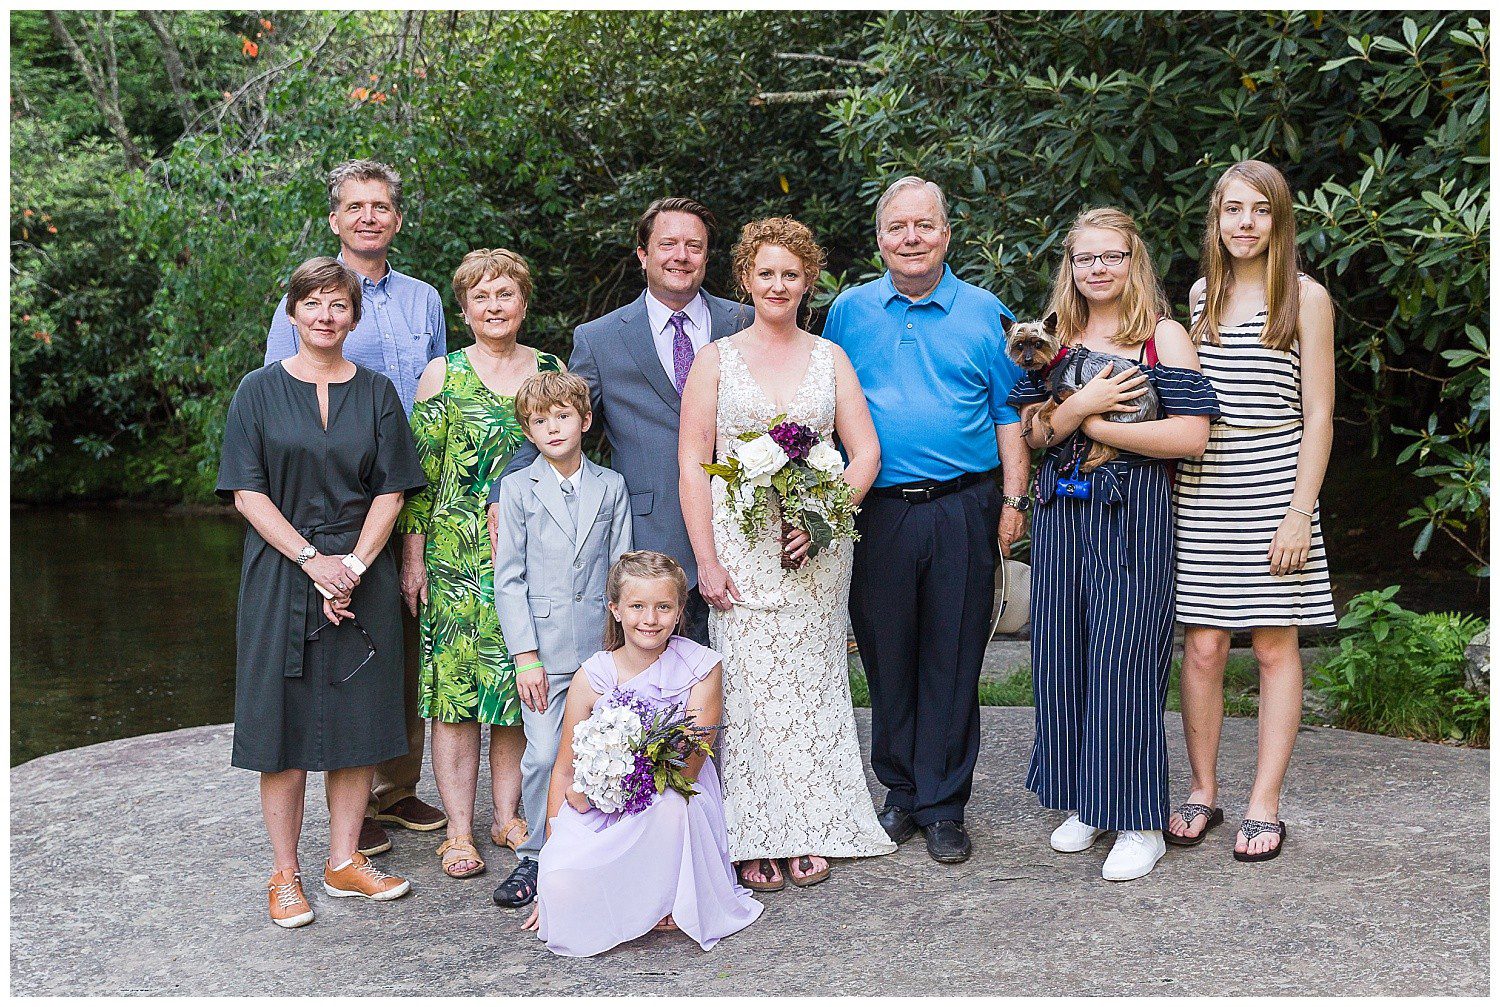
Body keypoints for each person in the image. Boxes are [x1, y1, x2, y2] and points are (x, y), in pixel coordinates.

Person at [678, 217, 895, 891]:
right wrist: (705, 560)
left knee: (809, 684)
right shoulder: (715, 358)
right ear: (745, 279)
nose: (778, 284)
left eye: (791, 274)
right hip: (739, 548)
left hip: (815, 552)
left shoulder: (831, 358)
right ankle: (753, 830)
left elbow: (867, 454)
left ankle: (811, 823)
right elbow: (693, 462)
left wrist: (827, 519)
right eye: (765, 272)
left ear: (809, 282)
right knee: (744, 687)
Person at [821, 176, 1030, 865]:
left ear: (947, 233)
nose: (910, 238)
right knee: (887, 655)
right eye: (896, 227)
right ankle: (901, 791)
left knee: (953, 654)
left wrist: (1013, 499)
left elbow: (1008, 413)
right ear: (879, 238)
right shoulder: (848, 312)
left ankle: (945, 804)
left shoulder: (984, 312)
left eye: (924, 226)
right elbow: (822, 412)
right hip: (876, 511)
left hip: (963, 507)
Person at [1009, 208, 1219, 882]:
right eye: (1085, 257)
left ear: (1135, 262)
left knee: (1126, 657)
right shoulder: (1054, 338)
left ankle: (1138, 820)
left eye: (1112, 256)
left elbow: (1190, 438)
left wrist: (1096, 422)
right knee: (1064, 654)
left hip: (1133, 509)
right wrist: (1074, 411)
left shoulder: (1164, 337)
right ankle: (1088, 801)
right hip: (1062, 512)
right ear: (1070, 266)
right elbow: (1033, 435)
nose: (1098, 268)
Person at [220, 256, 428, 927]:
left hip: (359, 571)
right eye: (312, 302)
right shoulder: (256, 390)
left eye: (337, 304)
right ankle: (285, 873)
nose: (325, 314)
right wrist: (314, 560)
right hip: (282, 569)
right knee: (279, 723)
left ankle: (344, 861)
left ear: (353, 316)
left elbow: (392, 488)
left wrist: (357, 566)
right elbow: (246, 491)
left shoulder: (375, 393)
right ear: (292, 312)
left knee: (359, 716)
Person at [264, 159, 449, 857]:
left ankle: (396, 785)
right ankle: (355, 790)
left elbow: (439, 389)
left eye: (381, 206)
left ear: (396, 220)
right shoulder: (313, 296)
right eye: (355, 206)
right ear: (336, 218)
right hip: (336, 495)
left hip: (414, 488)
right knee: (345, 640)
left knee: (408, 633)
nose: (369, 216)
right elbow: (279, 399)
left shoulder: (425, 300)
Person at [1168, 160, 1336, 862]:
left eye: (1259, 210)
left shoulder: (1305, 296)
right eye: (1232, 210)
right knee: (1203, 646)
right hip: (1204, 483)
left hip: (1275, 481)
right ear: (1216, 219)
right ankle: (1204, 790)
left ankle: (1265, 802)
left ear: (1279, 219)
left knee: (1272, 645)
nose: (1245, 223)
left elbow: (1320, 413)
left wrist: (1300, 510)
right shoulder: (1200, 294)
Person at [491, 198, 752, 645]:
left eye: (694, 246)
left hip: (746, 530)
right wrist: (506, 488)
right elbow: (564, 420)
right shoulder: (600, 338)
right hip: (652, 536)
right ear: (642, 254)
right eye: (668, 244)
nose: (681, 256)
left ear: (708, 256)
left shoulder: (743, 321)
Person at [395, 249, 565, 880]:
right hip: (456, 556)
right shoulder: (444, 374)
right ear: (463, 309)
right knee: (457, 699)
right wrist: (413, 562)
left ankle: (508, 814)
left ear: (524, 303)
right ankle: (459, 832)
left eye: (506, 295)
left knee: (518, 688)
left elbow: (564, 455)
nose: (495, 307)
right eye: (482, 297)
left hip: (529, 556)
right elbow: (418, 478)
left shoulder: (549, 369)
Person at [522, 551, 763, 957]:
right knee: (562, 884)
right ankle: (630, 894)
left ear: (680, 611)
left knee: (671, 807)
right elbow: (565, 774)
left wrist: (619, 777)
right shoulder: (593, 676)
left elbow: (689, 765)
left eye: (663, 607)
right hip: (603, 803)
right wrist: (550, 862)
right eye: (637, 606)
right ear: (615, 610)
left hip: (672, 791)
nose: (650, 619)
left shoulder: (701, 667)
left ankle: (669, 896)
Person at [489, 371, 634, 908]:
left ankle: (598, 847)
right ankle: (535, 855)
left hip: (599, 648)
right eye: (540, 420)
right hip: (544, 652)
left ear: (586, 421)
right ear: (528, 431)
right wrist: (525, 656)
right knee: (546, 752)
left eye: (563, 416)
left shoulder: (611, 486)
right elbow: (510, 577)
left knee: (605, 749)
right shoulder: (518, 489)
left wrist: (622, 649)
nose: (553, 427)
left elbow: (623, 570)